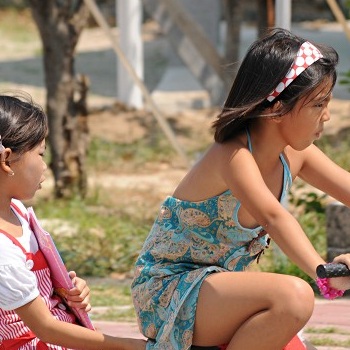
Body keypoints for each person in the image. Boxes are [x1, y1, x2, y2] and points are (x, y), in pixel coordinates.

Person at [131, 28, 350, 350]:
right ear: (276, 108)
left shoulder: (295, 154)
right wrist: (324, 272)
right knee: (294, 296)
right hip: (168, 292)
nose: (328, 116)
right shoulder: (232, 156)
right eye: (319, 104)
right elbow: (274, 217)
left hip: (223, 294)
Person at [0, 94, 146, 350]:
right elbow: (46, 328)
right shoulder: (2, 250)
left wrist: (65, 289)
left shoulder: (18, 211)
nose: (45, 166)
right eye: (41, 154)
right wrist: (132, 346)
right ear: (7, 160)